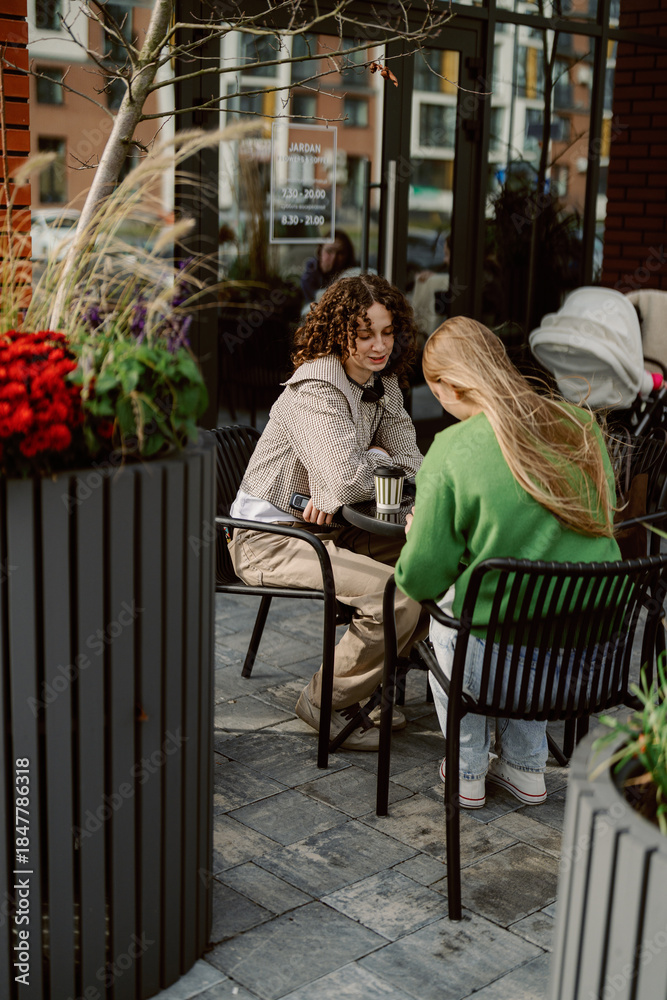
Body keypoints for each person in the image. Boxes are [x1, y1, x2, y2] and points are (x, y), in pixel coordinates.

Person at [394, 317, 621, 807]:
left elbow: (419, 578)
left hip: (500, 668)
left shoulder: (454, 448)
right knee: (532, 602)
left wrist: (420, 535)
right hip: (591, 660)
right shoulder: (580, 424)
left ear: (446, 385)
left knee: (453, 615)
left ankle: (467, 770)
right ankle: (525, 768)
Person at [228, 273, 427, 751]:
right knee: (394, 596)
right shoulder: (316, 387)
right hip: (270, 538)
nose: (380, 345)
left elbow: (416, 466)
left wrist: (373, 465)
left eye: (387, 332)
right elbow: (342, 485)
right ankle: (324, 701)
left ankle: (363, 688)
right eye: (365, 335)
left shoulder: (385, 383)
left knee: (430, 564)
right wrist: (379, 460)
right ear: (341, 334)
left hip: (330, 527)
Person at [300, 230, 356, 306]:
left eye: (340, 253)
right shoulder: (309, 275)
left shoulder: (353, 274)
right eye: (329, 251)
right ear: (320, 252)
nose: (334, 258)